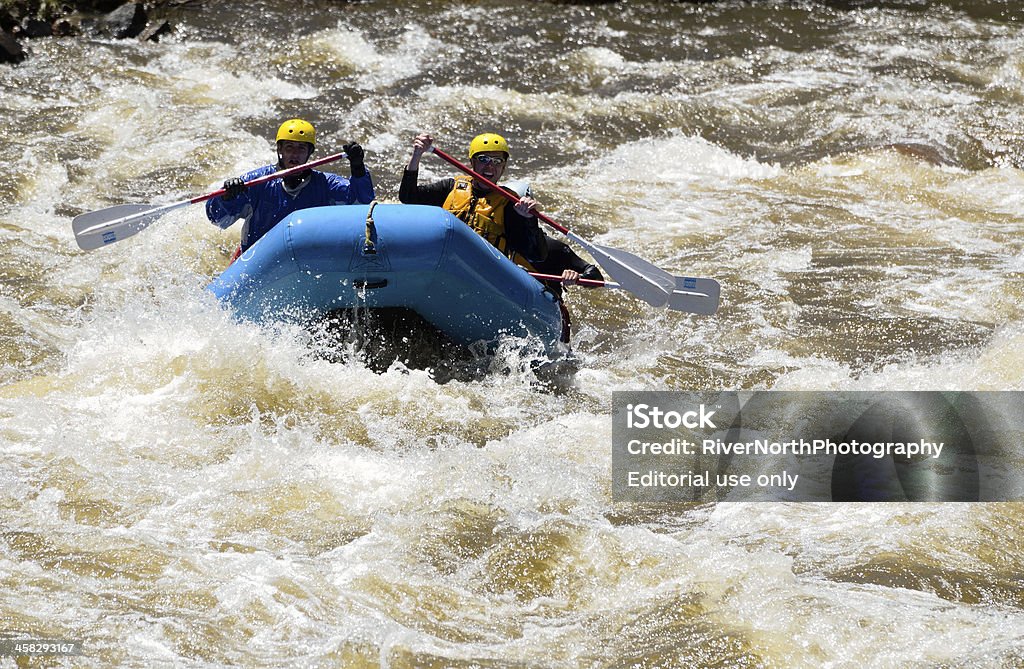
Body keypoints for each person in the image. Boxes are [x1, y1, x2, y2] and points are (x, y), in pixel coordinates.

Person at [207, 118, 375, 256]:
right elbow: (217, 219)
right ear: (279, 149)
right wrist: (226, 197)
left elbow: (361, 205)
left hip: (305, 258)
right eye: (289, 148)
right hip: (257, 259)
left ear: (310, 153)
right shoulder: (257, 182)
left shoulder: (326, 184)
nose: (295, 155)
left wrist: (358, 169)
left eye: (301, 149)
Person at [398, 132, 547, 267]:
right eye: (483, 159)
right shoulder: (450, 187)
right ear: (472, 162)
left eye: (497, 161)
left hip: (480, 271)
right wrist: (417, 155)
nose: (490, 166)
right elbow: (408, 196)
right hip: (443, 261)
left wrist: (528, 219)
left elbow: (536, 254)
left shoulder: (509, 203)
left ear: (503, 167)